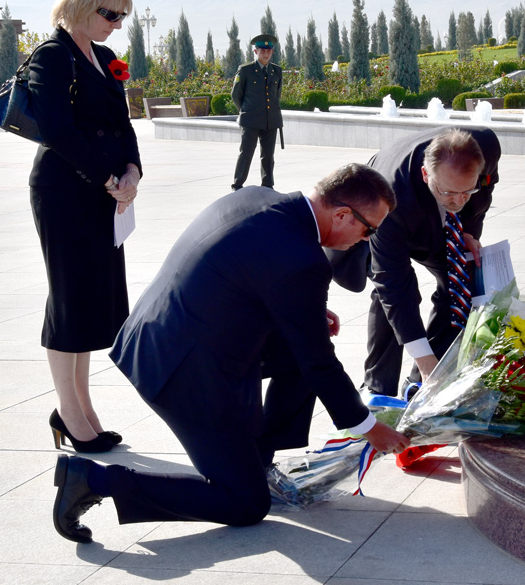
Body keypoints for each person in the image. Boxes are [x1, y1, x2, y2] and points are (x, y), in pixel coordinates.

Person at [51, 164, 411, 543]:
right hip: (181, 370)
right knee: (244, 503)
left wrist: (300, 311)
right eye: (368, 229)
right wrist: (369, 428)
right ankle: (92, 479)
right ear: (341, 214)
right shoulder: (302, 260)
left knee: (302, 342)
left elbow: (239, 269)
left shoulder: (258, 197)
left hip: (162, 334)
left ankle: (257, 458)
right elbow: (319, 363)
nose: (367, 240)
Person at [28, 0, 142, 453]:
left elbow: (124, 121)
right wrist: (106, 177)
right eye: (109, 13)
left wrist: (133, 171)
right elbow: (56, 130)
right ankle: (70, 414)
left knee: (93, 300)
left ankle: (82, 409)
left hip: (105, 192)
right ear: (82, 5)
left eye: (122, 16)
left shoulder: (106, 58)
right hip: (64, 191)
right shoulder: (51, 56)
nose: (116, 24)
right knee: (70, 298)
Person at [328, 127, 501, 399]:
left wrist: (467, 229)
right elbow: (393, 283)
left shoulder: (486, 145)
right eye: (448, 193)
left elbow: (486, 190)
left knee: (460, 282)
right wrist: (423, 356)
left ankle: (420, 383)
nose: (457, 201)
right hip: (397, 208)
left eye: (466, 192)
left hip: (437, 219)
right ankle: (377, 387)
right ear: (425, 174)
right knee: (392, 295)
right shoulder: (388, 199)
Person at [230, 34, 283, 191]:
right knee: (246, 153)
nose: (265, 53)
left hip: (270, 120)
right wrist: (245, 111)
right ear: (255, 51)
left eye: (269, 50)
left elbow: (276, 95)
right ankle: (237, 185)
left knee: (268, 156)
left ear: (272, 52)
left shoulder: (276, 71)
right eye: (262, 50)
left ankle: (268, 185)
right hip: (250, 120)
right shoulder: (245, 70)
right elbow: (236, 95)